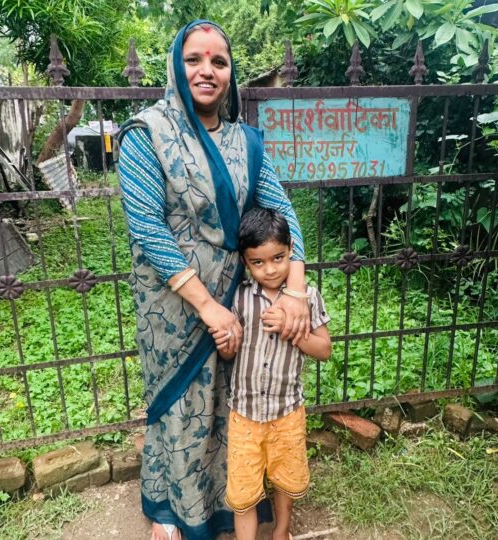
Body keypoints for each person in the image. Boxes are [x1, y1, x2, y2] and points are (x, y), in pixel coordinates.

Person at [117, 20, 310, 540]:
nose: (207, 71)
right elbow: (148, 228)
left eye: (218, 62)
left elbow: (284, 213)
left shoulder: (246, 142)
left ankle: (231, 500)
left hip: (235, 293)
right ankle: (171, 510)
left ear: (230, 74)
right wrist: (207, 307)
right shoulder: (146, 134)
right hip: (173, 303)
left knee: (226, 399)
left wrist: (295, 292)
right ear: (175, 67)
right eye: (194, 59)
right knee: (180, 402)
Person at [210, 208, 331, 540]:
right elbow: (229, 355)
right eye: (258, 262)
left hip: (287, 413)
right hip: (244, 416)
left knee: (286, 481)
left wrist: (293, 331)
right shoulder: (240, 297)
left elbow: (324, 349)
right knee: (244, 491)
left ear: (291, 250)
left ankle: (281, 532)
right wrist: (226, 344)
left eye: (278, 258)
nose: (270, 269)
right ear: (245, 262)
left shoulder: (308, 298)